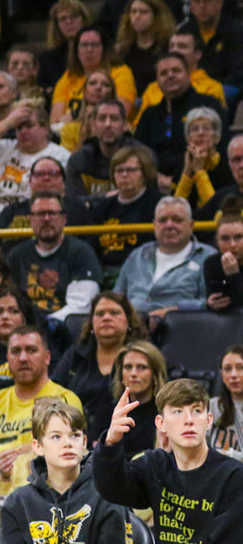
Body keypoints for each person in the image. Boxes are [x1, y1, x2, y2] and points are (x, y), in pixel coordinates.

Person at [94, 378, 243, 544]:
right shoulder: (155, 465)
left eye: (197, 411)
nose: (188, 420)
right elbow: (113, 489)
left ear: (209, 420)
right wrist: (111, 442)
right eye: (178, 411)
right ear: (161, 424)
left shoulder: (235, 477)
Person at [0, 399, 128, 544]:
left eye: (74, 435)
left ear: (84, 442)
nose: (67, 443)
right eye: (56, 437)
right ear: (38, 446)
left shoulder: (106, 497)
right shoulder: (18, 502)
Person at [0, 327, 83, 499]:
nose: (23, 358)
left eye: (31, 350)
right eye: (16, 351)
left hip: (42, 502)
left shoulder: (64, 400)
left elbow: (67, 456)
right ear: (7, 359)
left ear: (47, 357)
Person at [50, 292, 146, 440]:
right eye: (100, 313)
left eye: (114, 313)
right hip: (74, 437)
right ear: (92, 323)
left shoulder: (142, 357)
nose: (106, 317)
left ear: (128, 322)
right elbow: (52, 393)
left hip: (130, 438)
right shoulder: (74, 355)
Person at [112, 196, 214, 322]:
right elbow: (116, 297)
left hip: (180, 330)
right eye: (163, 220)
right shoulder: (137, 255)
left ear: (191, 225)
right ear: (154, 225)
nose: (169, 225)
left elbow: (210, 303)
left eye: (177, 220)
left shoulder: (208, 257)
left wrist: (168, 313)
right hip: (131, 330)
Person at [132, 53, 226, 185]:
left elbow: (217, 150)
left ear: (188, 74)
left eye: (176, 70)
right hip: (154, 185)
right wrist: (156, 178)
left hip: (200, 182)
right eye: (164, 73)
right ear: (157, 81)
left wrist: (175, 180)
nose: (170, 75)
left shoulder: (209, 105)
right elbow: (139, 153)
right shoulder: (149, 114)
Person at [7, 193, 102, 318]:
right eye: (40, 214)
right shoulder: (17, 255)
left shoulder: (82, 253)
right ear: (30, 220)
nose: (46, 219)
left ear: (63, 219)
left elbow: (80, 306)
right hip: (23, 328)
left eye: (52, 213)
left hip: (63, 329)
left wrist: (48, 324)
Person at [64, 99, 151, 199]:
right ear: (93, 125)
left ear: (125, 125)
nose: (108, 124)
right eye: (102, 119)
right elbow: (74, 203)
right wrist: (106, 198)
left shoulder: (143, 157)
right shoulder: (79, 160)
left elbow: (149, 201)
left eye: (114, 119)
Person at [0, 108, 71, 208]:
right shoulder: (5, 148)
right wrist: (7, 123)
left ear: (46, 128)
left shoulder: (60, 155)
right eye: (19, 127)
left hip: (31, 213)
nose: (23, 131)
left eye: (29, 126)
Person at [209, 345, 243, 463]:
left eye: (241, 368)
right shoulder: (210, 407)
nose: (233, 375)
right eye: (227, 369)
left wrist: (229, 455)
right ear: (222, 375)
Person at [172, 107, 230, 210]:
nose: (200, 133)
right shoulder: (182, 163)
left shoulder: (227, 164)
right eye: (195, 129)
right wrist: (187, 171)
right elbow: (175, 209)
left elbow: (216, 210)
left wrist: (199, 171)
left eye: (206, 128)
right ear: (188, 138)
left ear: (217, 137)